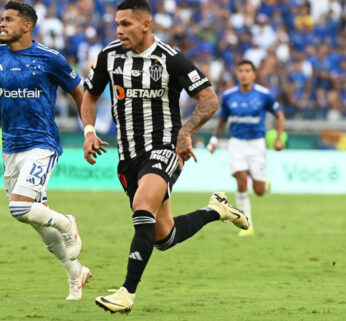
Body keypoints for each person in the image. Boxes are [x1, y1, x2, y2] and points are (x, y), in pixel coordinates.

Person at [80, 0, 249, 313]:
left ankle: (126, 294)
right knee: (163, 237)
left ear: (146, 24)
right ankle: (216, 210)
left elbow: (209, 100)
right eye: (117, 23)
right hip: (128, 156)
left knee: (142, 206)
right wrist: (89, 130)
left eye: (126, 24)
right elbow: (89, 94)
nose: (119, 30)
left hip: (164, 149)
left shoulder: (171, 59)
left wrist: (185, 132)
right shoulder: (108, 56)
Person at [0, 1, 92, 300]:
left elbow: (80, 91)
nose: (2, 24)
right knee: (33, 219)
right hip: (10, 148)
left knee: (19, 207)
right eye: (1, 20)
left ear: (26, 26)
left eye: (8, 20)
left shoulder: (50, 58)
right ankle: (76, 273)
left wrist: (88, 130)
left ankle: (67, 223)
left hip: (42, 144)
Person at [207, 60, 285, 236]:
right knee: (241, 179)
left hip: (257, 144)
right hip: (236, 144)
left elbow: (279, 115)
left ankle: (263, 181)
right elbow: (222, 121)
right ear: (236, 73)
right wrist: (214, 139)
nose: (244, 74)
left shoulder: (264, 95)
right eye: (240, 70)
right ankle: (247, 225)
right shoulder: (228, 96)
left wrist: (279, 138)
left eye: (247, 70)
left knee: (259, 191)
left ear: (254, 74)